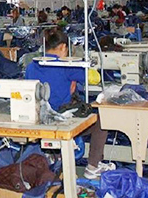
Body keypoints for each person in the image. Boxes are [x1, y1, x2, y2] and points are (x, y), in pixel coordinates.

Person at [25, 29, 113, 179]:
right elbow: (95, 78)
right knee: (101, 122)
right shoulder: (66, 65)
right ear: (63, 47)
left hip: (38, 118)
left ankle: (54, 156)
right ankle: (92, 167)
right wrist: (81, 66)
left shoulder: (31, 66)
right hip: (60, 119)